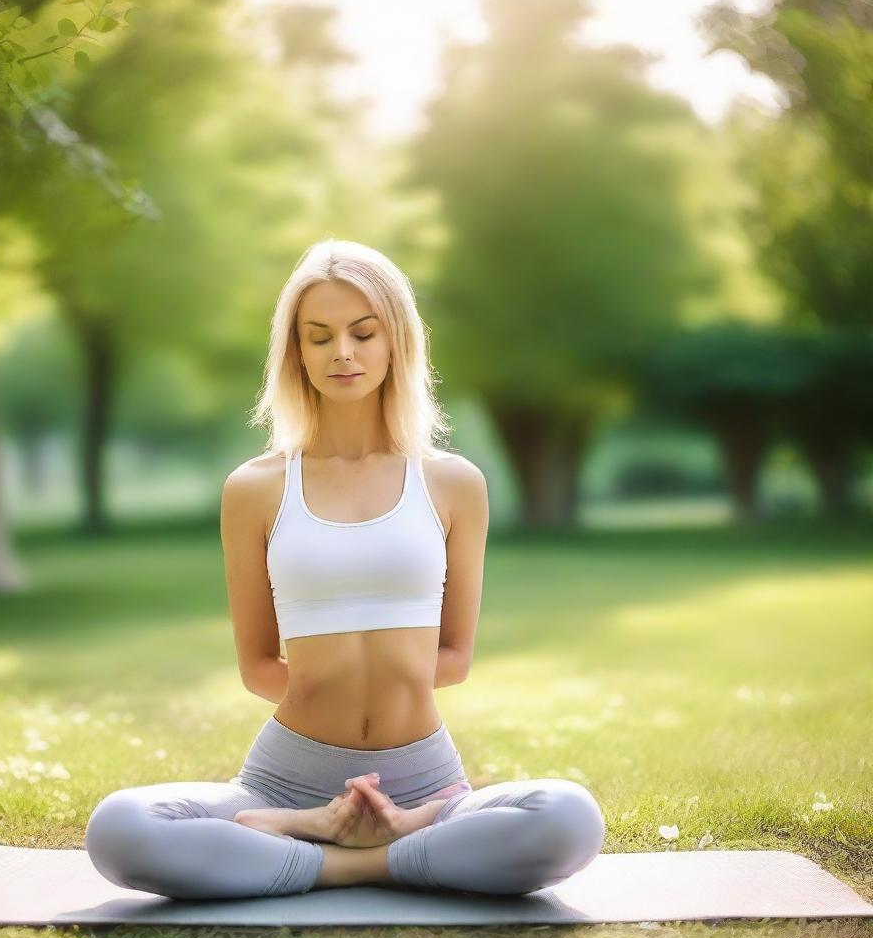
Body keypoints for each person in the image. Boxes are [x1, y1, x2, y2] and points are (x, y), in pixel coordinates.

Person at [84, 239, 605, 899]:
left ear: (398, 342)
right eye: (319, 337)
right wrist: (328, 706)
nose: (344, 353)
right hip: (285, 782)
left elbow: (454, 656)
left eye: (363, 332)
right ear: (296, 352)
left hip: (423, 783)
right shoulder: (255, 488)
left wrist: (388, 710)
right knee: (119, 828)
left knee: (570, 817)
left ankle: (370, 844)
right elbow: (257, 666)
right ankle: (345, 846)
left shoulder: (453, 484)